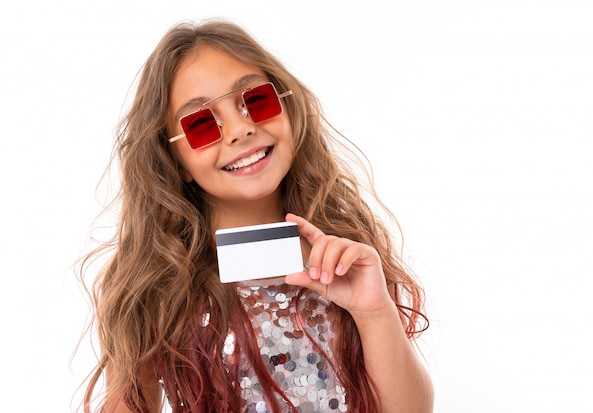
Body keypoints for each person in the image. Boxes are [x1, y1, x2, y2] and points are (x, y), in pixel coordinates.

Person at [79, 19, 434, 413]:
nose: (239, 129)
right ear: (175, 160)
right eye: (200, 125)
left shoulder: (345, 255)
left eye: (255, 100)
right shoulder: (158, 290)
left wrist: (373, 311)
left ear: (288, 106)